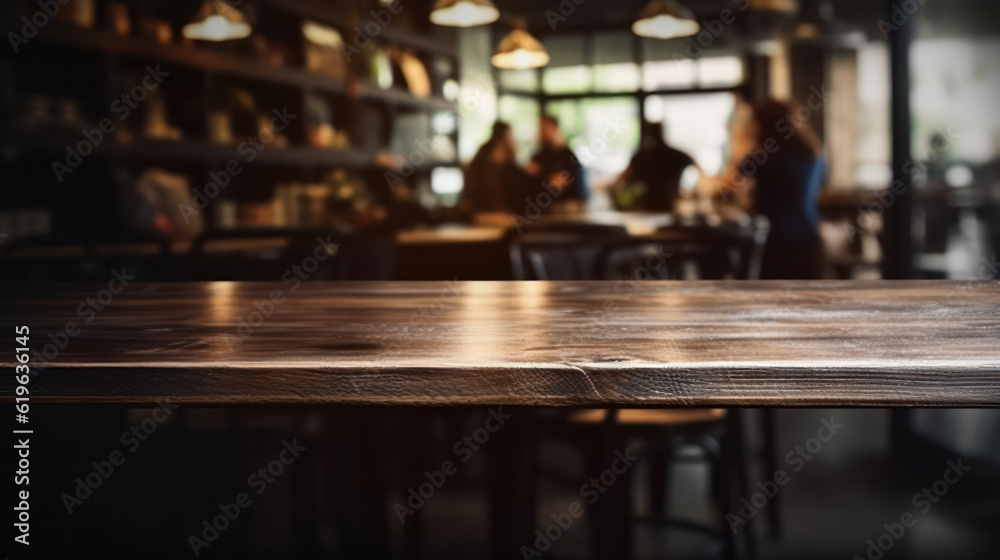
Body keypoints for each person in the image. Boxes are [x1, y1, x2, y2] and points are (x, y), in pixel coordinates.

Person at [726, 98, 825, 279]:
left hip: (773, 243)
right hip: (809, 240)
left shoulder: (760, 158)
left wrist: (739, 140)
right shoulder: (813, 153)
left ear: (761, 124)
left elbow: (728, 187)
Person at [615, 121, 697, 211]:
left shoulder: (641, 157)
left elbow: (621, 179)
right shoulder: (675, 155)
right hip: (667, 208)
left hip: (651, 209)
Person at [461, 121, 534, 213]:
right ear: (505, 135)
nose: (513, 139)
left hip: (488, 206)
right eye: (511, 135)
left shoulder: (486, 150)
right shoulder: (501, 154)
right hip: (492, 207)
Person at [530, 115, 588, 203]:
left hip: (568, 203)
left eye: (544, 128)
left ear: (554, 129)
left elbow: (563, 183)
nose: (540, 132)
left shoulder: (567, 155)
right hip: (545, 204)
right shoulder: (539, 155)